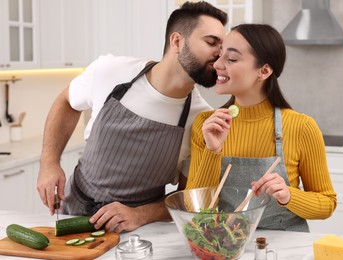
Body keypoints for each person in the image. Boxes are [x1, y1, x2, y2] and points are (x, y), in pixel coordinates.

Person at [37, 1, 227, 233]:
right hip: (72, 214)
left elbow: (186, 198)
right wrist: (49, 163)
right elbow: (66, 102)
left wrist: (140, 214)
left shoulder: (202, 120)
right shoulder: (111, 71)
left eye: (223, 46)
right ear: (177, 41)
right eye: (211, 42)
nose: (220, 55)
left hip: (140, 231)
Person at [186, 24, 337, 232]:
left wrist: (288, 196)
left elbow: (327, 204)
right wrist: (213, 151)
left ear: (264, 71)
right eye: (219, 56)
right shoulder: (207, 125)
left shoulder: (301, 127)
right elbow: (195, 207)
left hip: (286, 247)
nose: (218, 64)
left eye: (231, 59)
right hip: (226, 244)